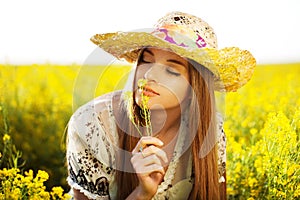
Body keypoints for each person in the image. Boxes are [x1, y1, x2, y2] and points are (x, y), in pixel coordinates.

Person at [66, 11, 256, 200]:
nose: (148, 75)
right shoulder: (93, 124)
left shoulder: (209, 131)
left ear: (195, 87)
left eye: (171, 70)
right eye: (146, 61)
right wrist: (142, 194)